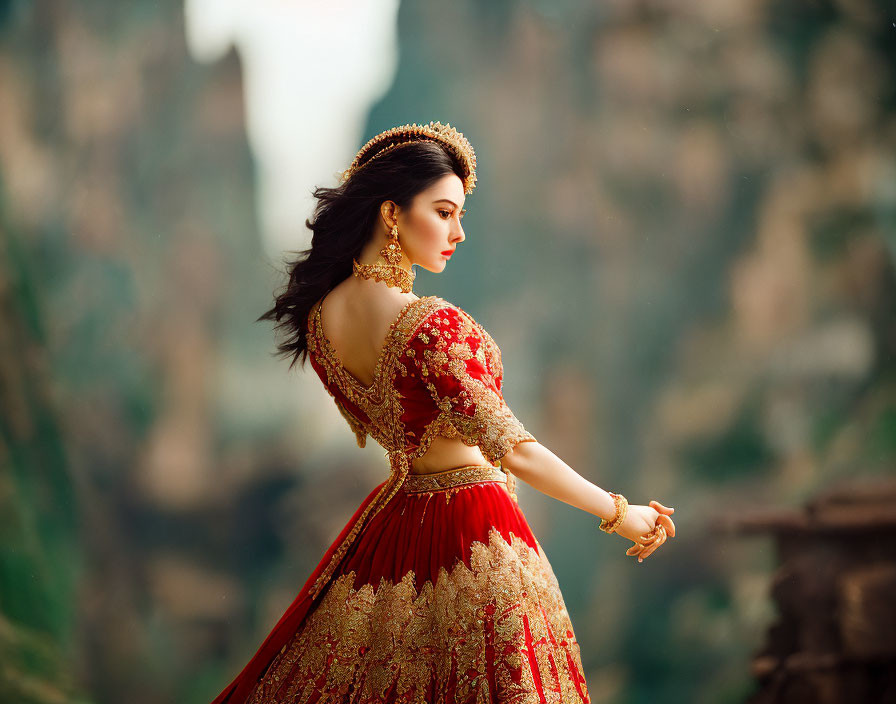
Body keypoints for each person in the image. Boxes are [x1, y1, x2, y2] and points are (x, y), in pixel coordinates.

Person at [209, 121, 676, 704]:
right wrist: (619, 511)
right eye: (444, 211)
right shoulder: (432, 326)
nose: (458, 231)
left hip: (394, 535)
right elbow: (515, 450)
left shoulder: (323, 323)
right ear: (391, 214)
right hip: (476, 534)